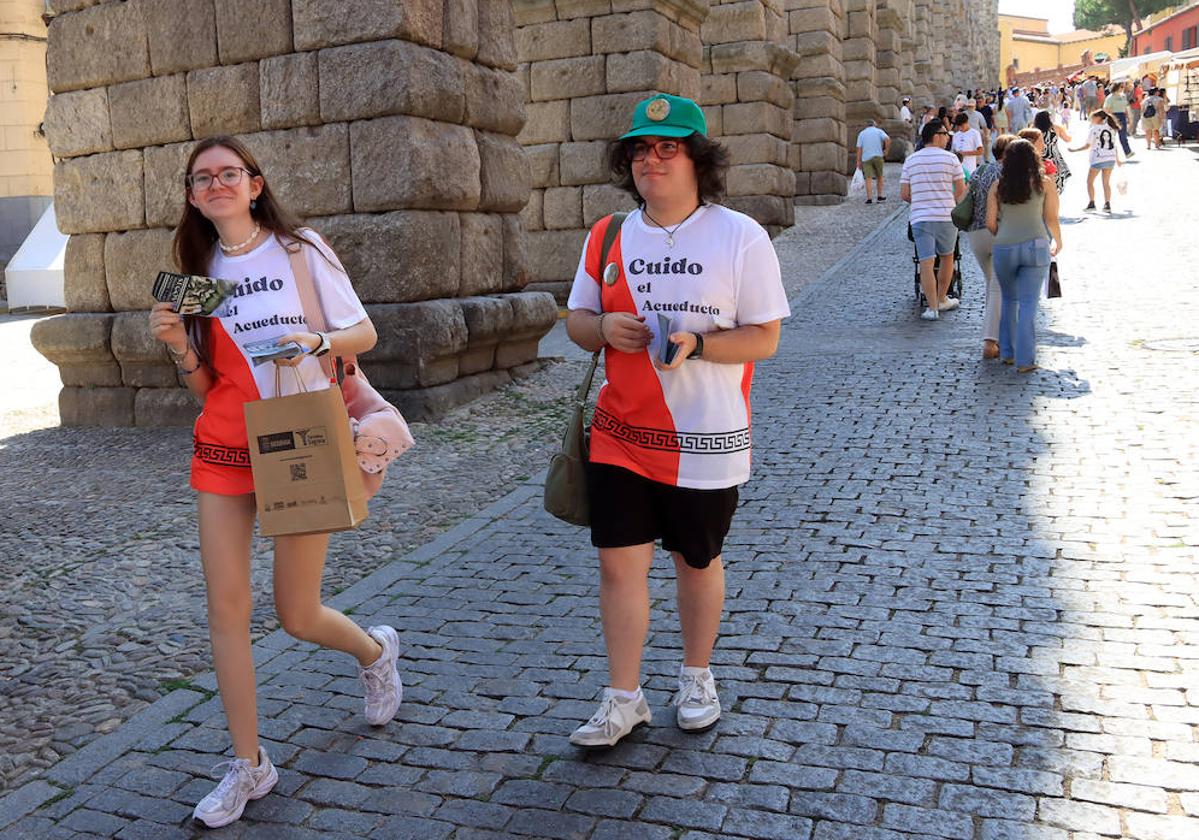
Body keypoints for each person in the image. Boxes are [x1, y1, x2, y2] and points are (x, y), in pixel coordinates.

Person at [148, 136, 403, 828]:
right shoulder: (193, 271)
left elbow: (364, 334)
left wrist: (315, 344)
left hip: (300, 438)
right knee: (225, 611)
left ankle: (375, 651)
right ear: (193, 196)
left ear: (254, 185)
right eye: (202, 178)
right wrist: (177, 345)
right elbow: (206, 385)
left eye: (229, 173)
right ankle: (249, 764)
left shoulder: (300, 250)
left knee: (296, 612)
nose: (216, 184)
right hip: (225, 447)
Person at [564, 94, 789, 749]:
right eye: (639, 149)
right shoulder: (607, 235)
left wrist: (699, 344)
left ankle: (695, 677)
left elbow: (764, 337)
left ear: (698, 159)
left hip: (705, 438)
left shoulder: (738, 235)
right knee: (616, 567)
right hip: (620, 434)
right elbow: (577, 323)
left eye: (666, 148)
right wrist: (602, 326)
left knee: (696, 559)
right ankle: (622, 696)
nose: (649, 159)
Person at [985, 138, 1062, 374]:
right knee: (1029, 303)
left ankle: (1007, 353)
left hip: (1005, 247)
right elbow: (1051, 218)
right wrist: (1059, 241)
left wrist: (1005, 235)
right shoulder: (1045, 183)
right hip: (1036, 246)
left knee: (1009, 299)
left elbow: (989, 223)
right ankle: (1025, 359)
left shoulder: (998, 186)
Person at [901, 119, 967, 321]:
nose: (948, 138)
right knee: (948, 257)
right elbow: (961, 190)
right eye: (946, 134)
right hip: (946, 216)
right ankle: (941, 299)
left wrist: (921, 200)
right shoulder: (951, 159)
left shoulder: (911, 160)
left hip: (921, 217)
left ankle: (932, 308)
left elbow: (904, 194)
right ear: (937, 136)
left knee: (926, 263)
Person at [964, 134, 1015, 360]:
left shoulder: (980, 171)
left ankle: (998, 335)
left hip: (976, 234)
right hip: (998, 231)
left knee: (992, 284)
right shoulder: (1009, 174)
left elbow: (966, 198)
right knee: (997, 287)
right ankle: (991, 341)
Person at [1070, 109, 1124, 212]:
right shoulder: (1112, 129)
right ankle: (1107, 204)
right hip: (1110, 157)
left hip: (1098, 158)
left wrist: (1075, 150)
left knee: (1090, 182)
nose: (1091, 119)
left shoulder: (1094, 129)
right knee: (1106, 182)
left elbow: (1087, 146)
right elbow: (1114, 145)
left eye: (1093, 117)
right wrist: (1117, 159)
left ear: (1099, 118)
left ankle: (1092, 203)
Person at [1033, 111, 1072, 193]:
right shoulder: (1056, 128)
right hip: (1054, 157)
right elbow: (1068, 139)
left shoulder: (1033, 129)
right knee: (1055, 181)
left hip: (1038, 157)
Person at [855, 119, 891, 204]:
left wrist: (858, 161)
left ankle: (869, 198)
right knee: (879, 176)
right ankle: (879, 196)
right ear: (874, 124)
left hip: (866, 158)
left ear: (866, 125)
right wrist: (886, 150)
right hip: (878, 156)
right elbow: (888, 139)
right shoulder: (879, 131)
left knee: (868, 178)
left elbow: (859, 149)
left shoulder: (862, 134)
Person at [951, 112, 984, 177]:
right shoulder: (955, 135)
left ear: (967, 122)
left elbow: (980, 151)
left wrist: (964, 153)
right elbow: (953, 151)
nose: (960, 128)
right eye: (958, 126)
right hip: (957, 170)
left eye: (962, 125)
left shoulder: (975, 133)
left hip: (969, 169)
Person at [1106, 82, 1134, 157]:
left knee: (1123, 136)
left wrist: (1129, 118)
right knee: (1111, 136)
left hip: (1122, 115)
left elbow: (1126, 107)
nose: (1123, 88)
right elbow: (1106, 109)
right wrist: (1111, 117)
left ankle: (1128, 152)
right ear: (1116, 87)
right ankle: (1109, 153)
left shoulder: (1123, 96)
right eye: (1121, 87)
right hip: (1113, 116)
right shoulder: (1110, 97)